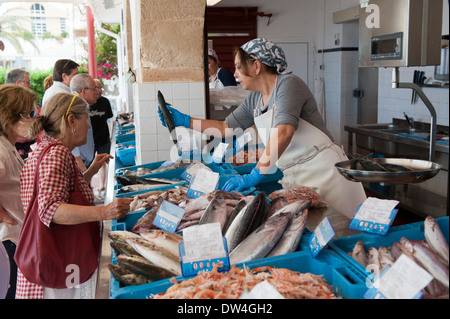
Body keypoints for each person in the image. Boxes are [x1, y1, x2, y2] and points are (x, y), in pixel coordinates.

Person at [159, 38, 367, 218]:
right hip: (298, 176)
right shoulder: (255, 99)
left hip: (325, 172)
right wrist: (185, 121)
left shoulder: (288, 84)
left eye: (239, 67)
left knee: (345, 230)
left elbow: (285, 131)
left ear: (256, 66)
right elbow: (225, 128)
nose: (235, 74)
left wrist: (257, 173)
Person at [15, 92, 133, 299]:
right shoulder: (57, 154)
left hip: (50, 261)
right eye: (86, 119)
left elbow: (65, 191)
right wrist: (105, 211)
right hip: (58, 266)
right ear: (71, 120)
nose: (89, 126)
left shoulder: (46, 148)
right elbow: (51, 209)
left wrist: (91, 171)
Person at [0, 84, 38, 299]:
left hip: (19, 237)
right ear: (11, 115)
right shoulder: (1, 149)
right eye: (30, 114)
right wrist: (2, 214)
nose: (33, 120)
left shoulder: (8, 145)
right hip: (10, 241)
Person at [89, 79, 114, 199]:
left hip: (103, 137)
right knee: (89, 163)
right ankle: (89, 190)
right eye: (96, 88)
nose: (99, 91)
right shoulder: (87, 104)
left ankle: (102, 187)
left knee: (104, 162)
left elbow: (109, 118)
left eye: (100, 88)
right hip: (89, 140)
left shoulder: (105, 102)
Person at [70, 73, 98, 172]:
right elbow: (69, 133)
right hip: (79, 161)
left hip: (85, 158)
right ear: (84, 91)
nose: (97, 92)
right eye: (94, 88)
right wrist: (77, 159)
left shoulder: (82, 105)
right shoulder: (74, 107)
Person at [5, 69, 35, 160]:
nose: (30, 85)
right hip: (16, 148)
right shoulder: (6, 102)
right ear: (18, 83)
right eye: (28, 82)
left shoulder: (26, 99)